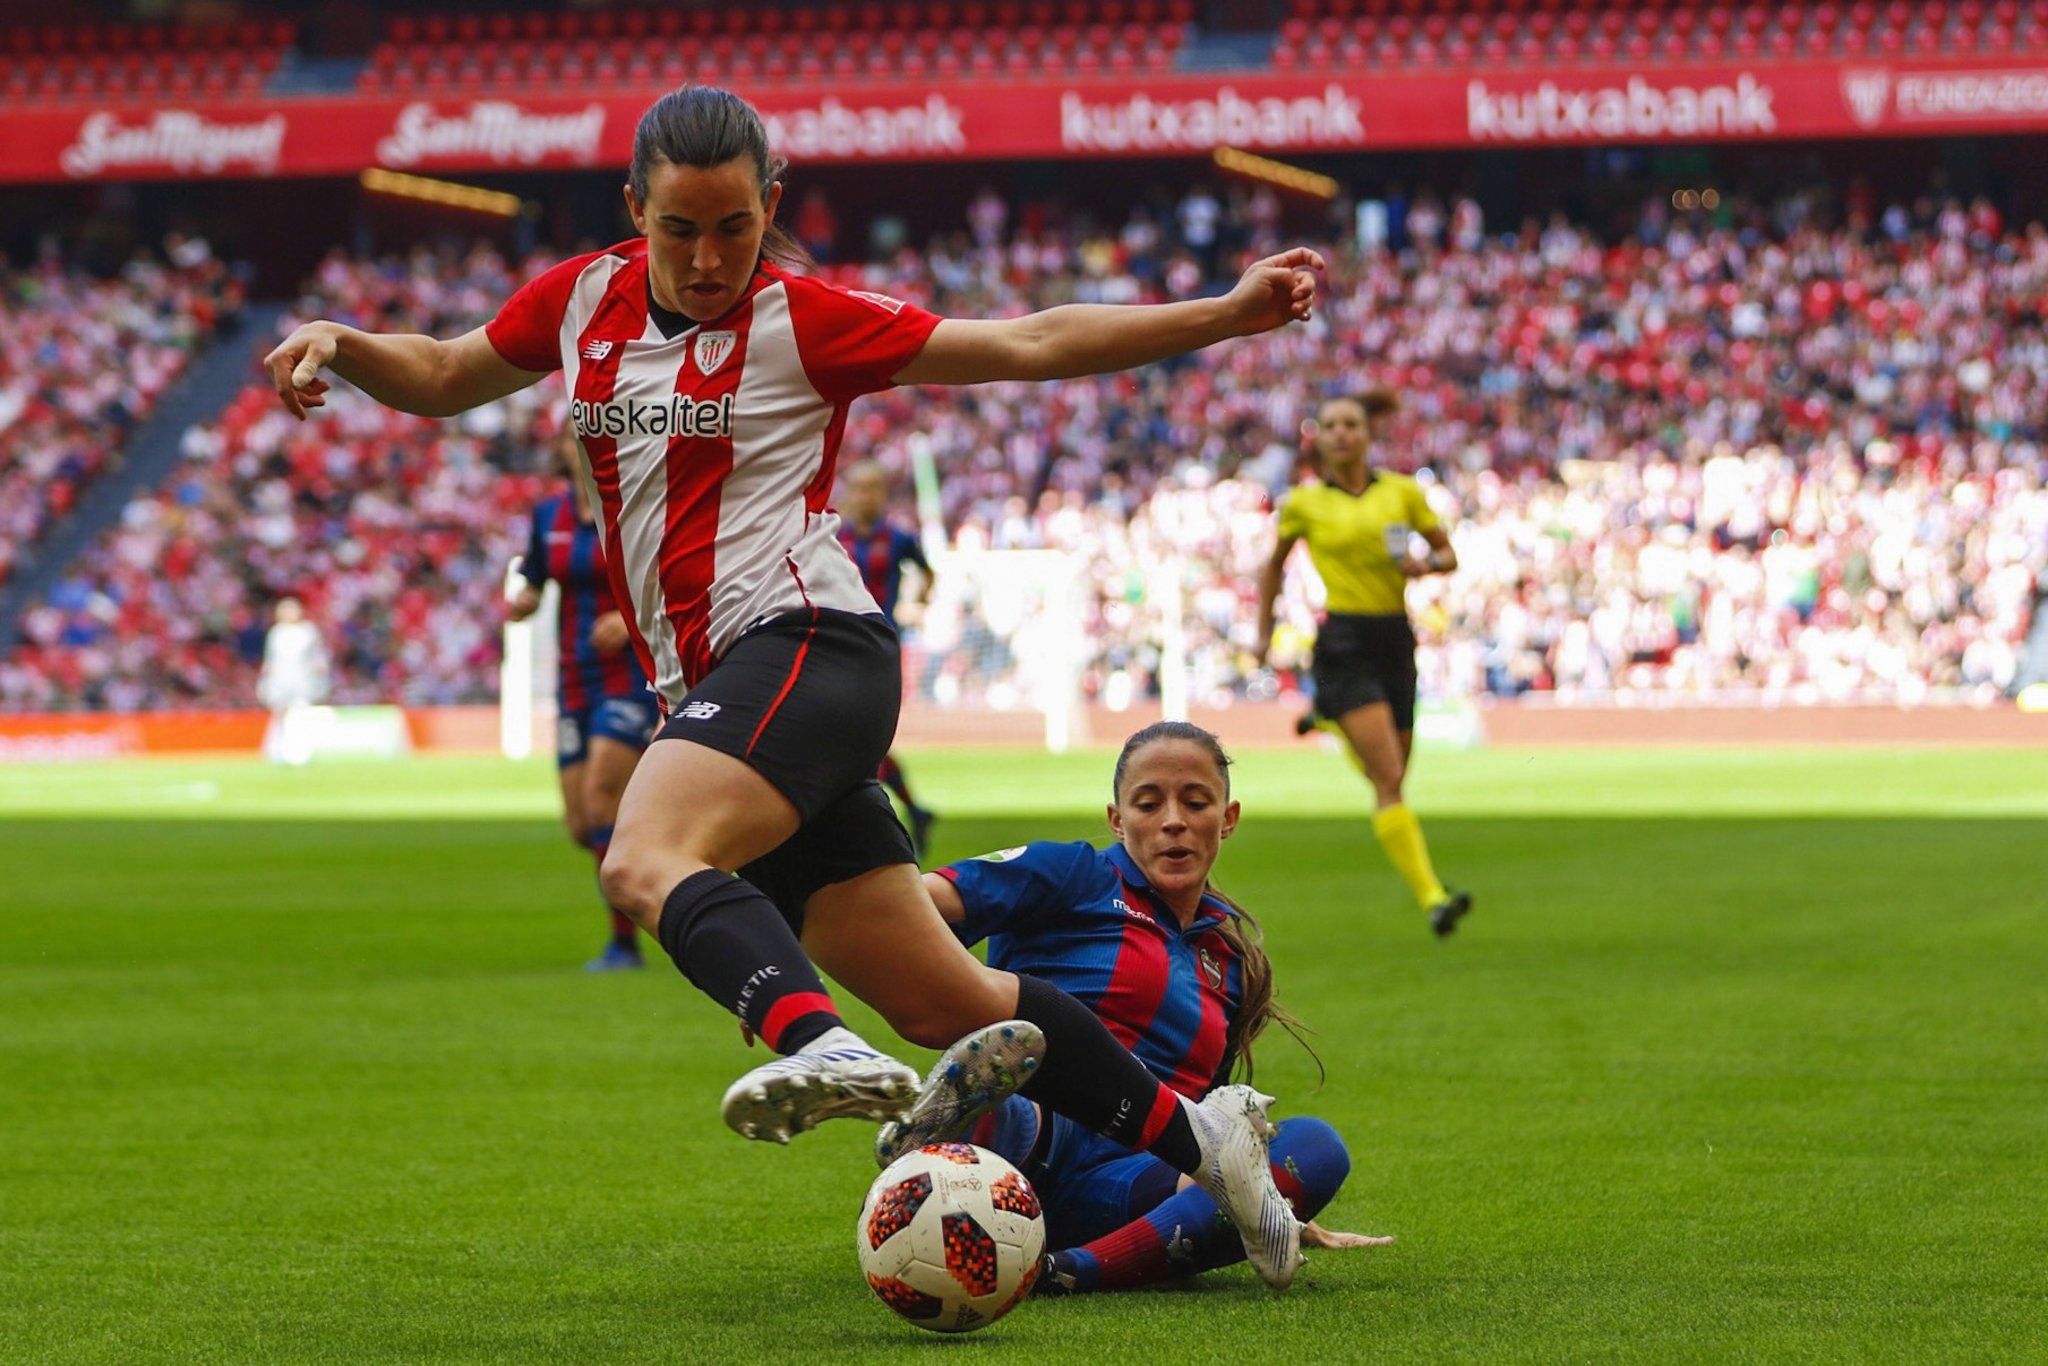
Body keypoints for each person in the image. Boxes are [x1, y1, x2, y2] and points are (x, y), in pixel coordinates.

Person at [263, 85, 1322, 1287]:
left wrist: (1224, 317)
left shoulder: (804, 319)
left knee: (642, 856)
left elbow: (1025, 341)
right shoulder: (578, 300)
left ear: (768, 208)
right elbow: (448, 371)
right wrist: (344, 346)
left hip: (810, 640)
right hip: (720, 683)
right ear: (634, 213)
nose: (710, 258)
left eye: (734, 227)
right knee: (950, 1001)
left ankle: (810, 1041)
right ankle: (1204, 1135)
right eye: (680, 230)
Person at [919, 721, 1394, 1294]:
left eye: (1196, 803)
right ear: (1117, 820)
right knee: (1030, 1071)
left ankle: (1067, 1272)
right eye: (1149, 804)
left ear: (1228, 818)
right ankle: (975, 1124)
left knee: (1315, 1148)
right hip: (1027, 1151)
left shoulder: (1231, 965)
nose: (1174, 820)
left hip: (1123, 1186)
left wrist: (1269, 1197)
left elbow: (1211, 1127)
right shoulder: (1071, 875)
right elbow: (913, 908)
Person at [1255, 390, 1472, 936]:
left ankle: (1328, 715)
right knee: (1391, 778)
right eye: (1331, 425)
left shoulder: (1402, 493)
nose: (1342, 433)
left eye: (1351, 424)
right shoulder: (1304, 503)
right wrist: (1263, 632)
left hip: (1395, 637)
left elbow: (1449, 555)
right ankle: (1433, 897)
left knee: (1396, 765)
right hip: (1344, 638)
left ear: (1368, 434)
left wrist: (1425, 565)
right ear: (1320, 439)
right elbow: (1273, 568)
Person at [508, 432, 661, 972]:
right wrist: (524, 599)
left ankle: (626, 944)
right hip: (574, 676)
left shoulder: (632, 504)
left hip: (631, 675)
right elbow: (533, 574)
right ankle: (666, 858)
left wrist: (629, 619)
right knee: (582, 824)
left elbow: (667, 578)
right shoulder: (548, 515)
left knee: (601, 798)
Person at [834, 459, 938, 858]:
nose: (868, 496)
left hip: (879, 647)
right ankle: (912, 811)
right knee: (855, 739)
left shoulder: (897, 539)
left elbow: (927, 574)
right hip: (838, 645)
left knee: (862, 738)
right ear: (848, 491)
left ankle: (869, 823)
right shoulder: (831, 536)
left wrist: (918, 602)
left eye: (875, 488)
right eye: (861, 488)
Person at [257, 597, 330, 766]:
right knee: (280, 715)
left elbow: (318, 657)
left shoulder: (307, 631)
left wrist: (319, 675)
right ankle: (277, 751)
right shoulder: (277, 632)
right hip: (280, 680)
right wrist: (266, 680)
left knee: (300, 714)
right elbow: (270, 660)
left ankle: (300, 752)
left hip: (302, 680)